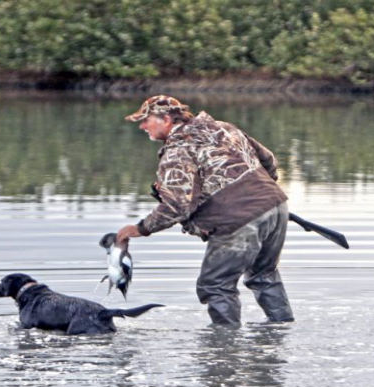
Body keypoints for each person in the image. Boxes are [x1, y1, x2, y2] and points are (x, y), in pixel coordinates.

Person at [116, 95, 294, 327]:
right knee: (264, 276)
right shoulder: (224, 128)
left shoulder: (178, 150)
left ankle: (223, 350)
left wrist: (140, 228)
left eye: (146, 120)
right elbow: (268, 160)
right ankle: (282, 329)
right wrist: (259, 194)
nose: (142, 126)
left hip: (236, 220)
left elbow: (177, 206)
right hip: (276, 206)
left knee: (215, 285)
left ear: (166, 119)